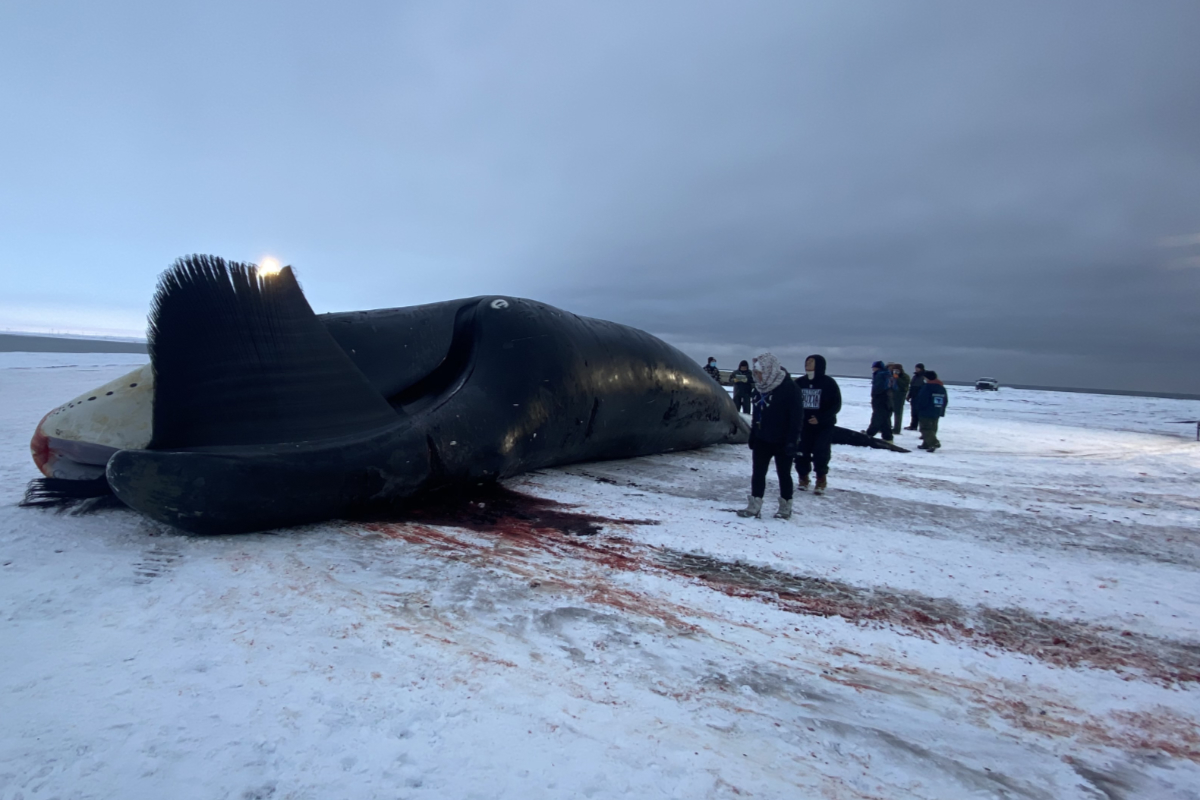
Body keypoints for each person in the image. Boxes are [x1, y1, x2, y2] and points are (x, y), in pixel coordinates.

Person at [737, 352, 802, 520]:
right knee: (758, 472)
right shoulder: (759, 389)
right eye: (756, 373)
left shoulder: (789, 388)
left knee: (784, 473)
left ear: (769, 370)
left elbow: (796, 417)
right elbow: (757, 413)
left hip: (782, 439)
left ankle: (786, 506)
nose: (757, 376)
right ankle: (755, 505)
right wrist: (753, 434)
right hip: (762, 437)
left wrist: (792, 440)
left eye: (759, 373)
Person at [793, 354, 841, 495]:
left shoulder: (829, 383)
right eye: (806, 361)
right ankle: (803, 478)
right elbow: (793, 402)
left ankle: (821, 479)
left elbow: (836, 405)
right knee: (801, 452)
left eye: (811, 361)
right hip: (803, 426)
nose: (807, 363)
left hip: (823, 426)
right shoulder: (800, 382)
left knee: (821, 452)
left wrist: (820, 418)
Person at [915, 369, 948, 452]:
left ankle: (934, 443)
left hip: (926, 411)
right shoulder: (941, 387)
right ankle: (926, 444)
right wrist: (941, 410)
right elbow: (945, 400)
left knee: (925, 428)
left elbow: (923, 399)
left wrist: (919, 408)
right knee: (933, 428)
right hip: (937, 410)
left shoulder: (927, 387)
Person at [864, 361, 894, 442]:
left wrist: (875, 396)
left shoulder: (880, 374)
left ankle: (870, 433)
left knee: (877, 416)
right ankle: (887, 436)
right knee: (885, 417)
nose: (873, 369)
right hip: (888, 398)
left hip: (880, 398)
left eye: (874, 367)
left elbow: (878, 387)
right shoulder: (888, 374)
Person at [890, 363, 910, 435]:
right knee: (888, 411)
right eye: (894, 370)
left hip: (900, 396)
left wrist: (897, 378)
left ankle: (897, 429)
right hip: (891, 395)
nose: (895, 371)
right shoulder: (891, 375)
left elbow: (904, 385)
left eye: (897, 370)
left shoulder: (905, 377)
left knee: (898, 413)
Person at [905, 363, 926, 430]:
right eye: (916, 368)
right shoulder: (915, 376)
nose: (916, 369)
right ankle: (913, 425)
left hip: (920, 397)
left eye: (918, 368)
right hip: (914, 396)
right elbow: (912, 387)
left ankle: (922, 427)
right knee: (913, 412)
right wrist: (909, 395)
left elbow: (924, 387)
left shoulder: (924, 377)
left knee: (919, 413)